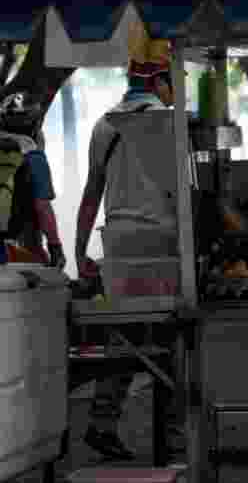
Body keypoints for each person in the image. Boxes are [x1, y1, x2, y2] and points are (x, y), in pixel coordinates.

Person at [75, 33, 179, 461]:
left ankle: (102, 422)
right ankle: (174, 433)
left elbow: (90, 193)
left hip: (117, 243)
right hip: (163, 238)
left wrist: (81, 250)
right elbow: (183, 192)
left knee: (124, 335)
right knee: (174, 334)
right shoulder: (170, 123)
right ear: (161, 80)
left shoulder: (104, 125)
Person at [0, 91, 64, 269]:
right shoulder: (31, 153)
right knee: (42, 278)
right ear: (35, 125)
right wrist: (55, 247)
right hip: (10, 244)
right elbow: (42, 206)